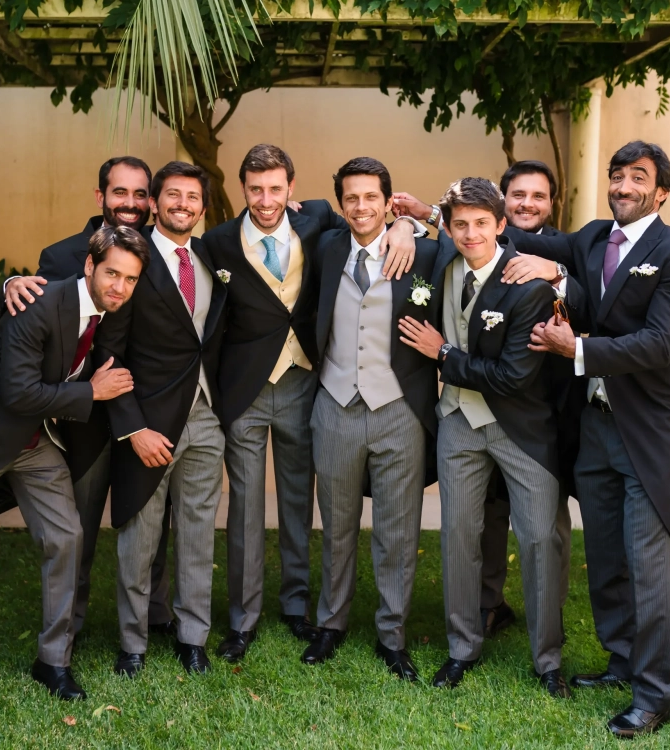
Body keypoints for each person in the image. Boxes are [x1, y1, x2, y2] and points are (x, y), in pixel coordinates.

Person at [507, 141, 670, 737]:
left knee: (647, 565)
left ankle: (654, 694)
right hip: (593, 426)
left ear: (662, 191)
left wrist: (576, 348)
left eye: (638, 178)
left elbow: (660, 344)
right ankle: (621, 660)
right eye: (617, 175)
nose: (623, 186)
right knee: (604, 557)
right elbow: (514, 236)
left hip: (646, 430)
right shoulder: (594, 237)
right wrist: (424, 217)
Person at [0, 226, 148, 711]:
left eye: (130, 279)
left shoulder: (110, 313)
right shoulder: (36, 304)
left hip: (34, 442)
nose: (119, 286)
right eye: (112, 274)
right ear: (89, 266)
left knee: (66, 536)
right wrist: (91, 392)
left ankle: (53, 660)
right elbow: (17, 393)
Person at [202, 145, 418, 662]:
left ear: (292, 188)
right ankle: (243, 618)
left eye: (275, 188)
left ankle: (297, 605)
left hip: (304, 384)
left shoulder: (319, 219)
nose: (266, 199)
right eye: (255, 189)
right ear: (241, 188)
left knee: (299, 501)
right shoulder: (218, 243)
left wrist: (408, 225)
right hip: (247, 390)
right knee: (245, 506)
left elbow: (374, 220)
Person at [398, 178, 569, 697]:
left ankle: (548, 660)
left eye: (481, 224)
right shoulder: (442, 262)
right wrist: (404, 223)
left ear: (500, 225)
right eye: (460, 225)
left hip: (521, 427)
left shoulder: (529, 286)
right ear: (449, 229)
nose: (470, 234)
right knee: (459, 537)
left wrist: (443, 353)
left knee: (539, 541)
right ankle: (461, 648)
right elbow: (414, 228)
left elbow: (512, 377)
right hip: (457, 422)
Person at [2, 156, 176, 641]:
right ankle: (70, 626)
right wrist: (9, 284)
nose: (131, 203)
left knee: (151, 519)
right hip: (87, 418)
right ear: (101, 196)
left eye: (140, 194)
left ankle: (156, 613)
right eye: (120, 192)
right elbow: (30, 310)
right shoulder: (62, 255)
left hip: (149, 410)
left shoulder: (162, 251)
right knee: (78, 526)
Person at [302, 157, 439, 681]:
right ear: (341, 204)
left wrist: (413, 223)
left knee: (397, 530)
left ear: (388, 201)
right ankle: (330, 623)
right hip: (335, 403)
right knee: (336, 524)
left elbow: (477, 239)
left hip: (399, 408)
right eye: (351, 198)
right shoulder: (326, 245)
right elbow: (289, 214)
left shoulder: (423, 252)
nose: (361, 207)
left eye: (371, 198)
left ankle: (392, 634)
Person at [94, 161, 228, 676]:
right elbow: (109, 352)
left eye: (192, 197)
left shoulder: (211, 256)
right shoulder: (133, 259)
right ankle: (133, 644)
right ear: (154, 202)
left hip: (206, 418)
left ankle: (193, 637)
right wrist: (133, 428)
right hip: (148, 425)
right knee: (139, 540)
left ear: (203, 206)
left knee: (197, 535)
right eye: (172, 195)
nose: (182, 205)